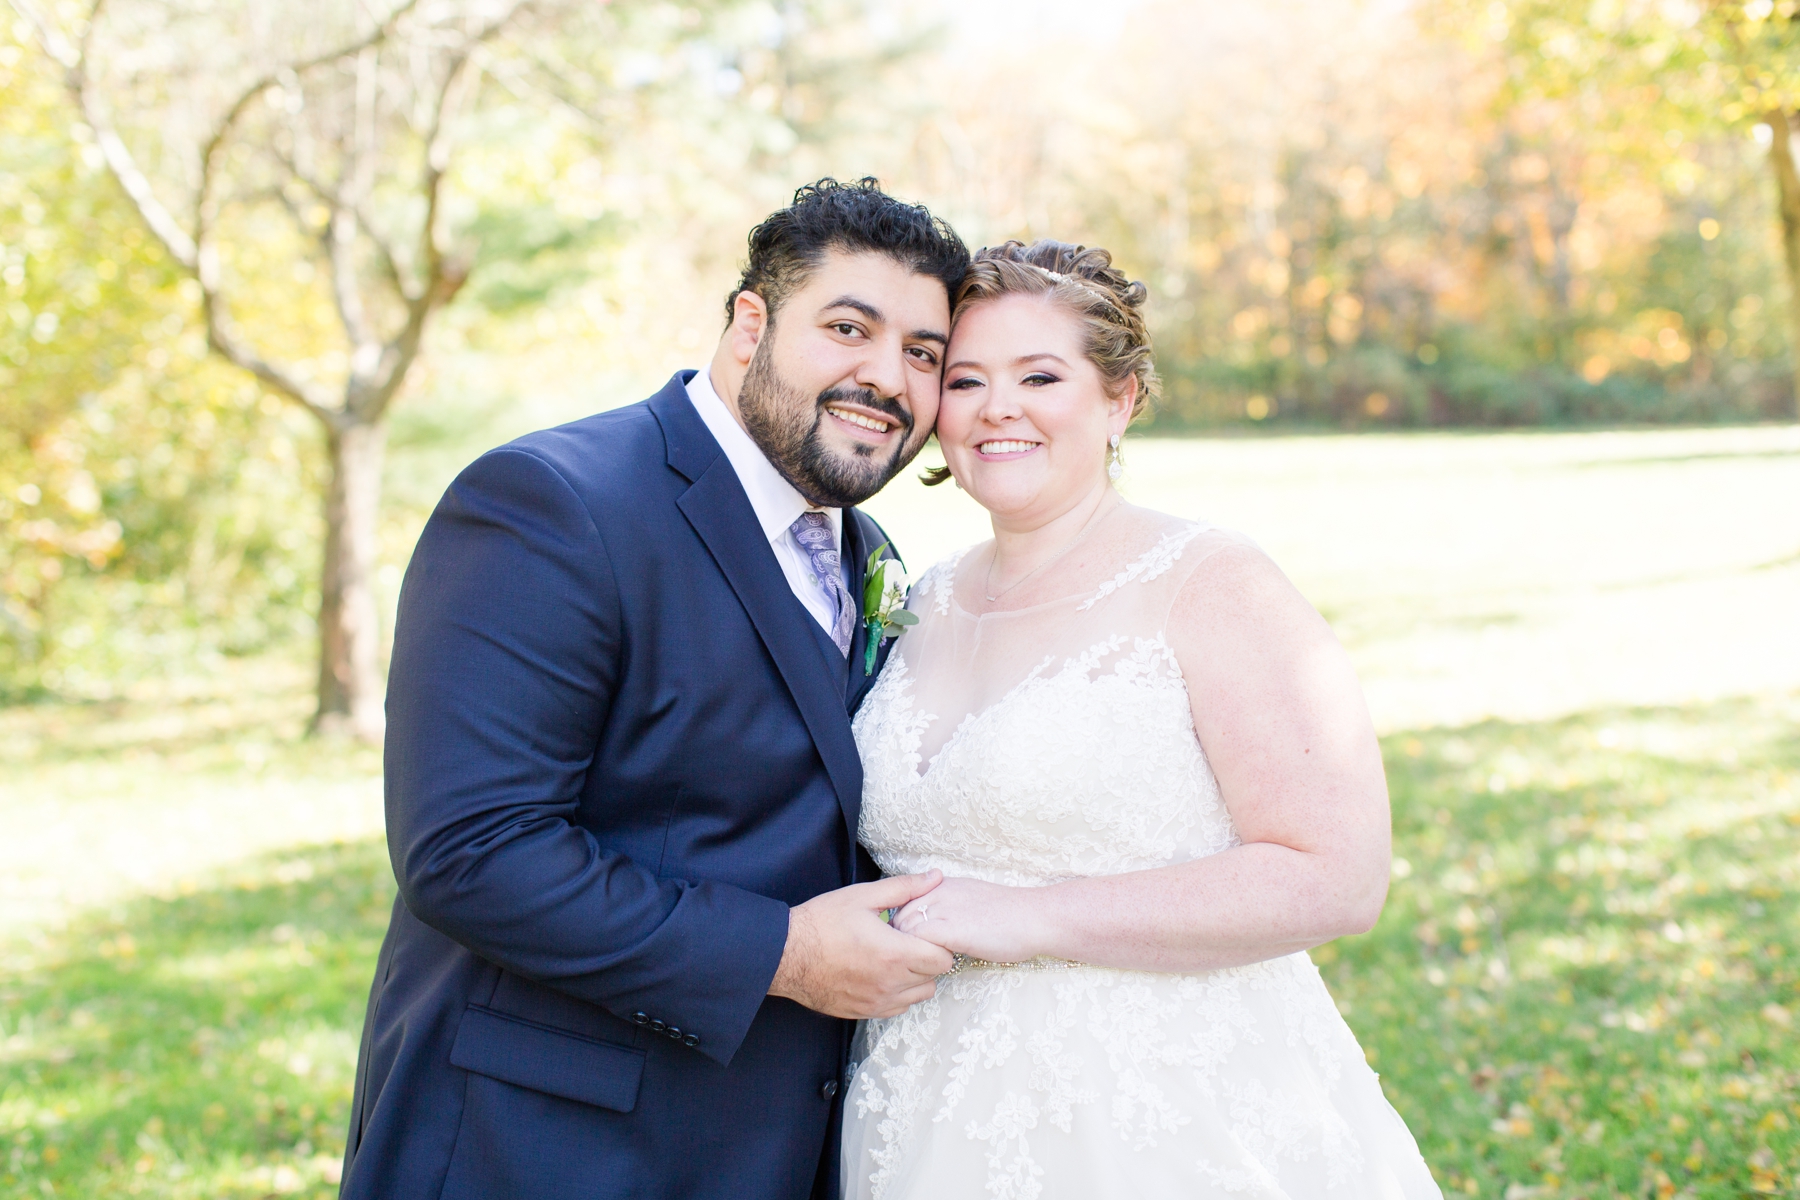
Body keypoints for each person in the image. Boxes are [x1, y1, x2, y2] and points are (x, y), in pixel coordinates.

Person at [339, 179, 970, 1200]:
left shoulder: (872, 552)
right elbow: (470, 852)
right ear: (748, 327)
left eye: (923, 354)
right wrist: (784, 955)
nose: (885, 376)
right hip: (543, 1145)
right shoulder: (553, 504)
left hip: (768, 1146)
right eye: (848, 327)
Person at [841, 240, 1442, 1198]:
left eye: (1042, 374)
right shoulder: (925, 597)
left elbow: (1337, 876)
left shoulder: (1209, 582)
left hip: (1157, 1110)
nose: (1001, 407)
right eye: (965, 380)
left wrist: (1034, 916)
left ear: (1119, 398)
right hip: (921, 1108)